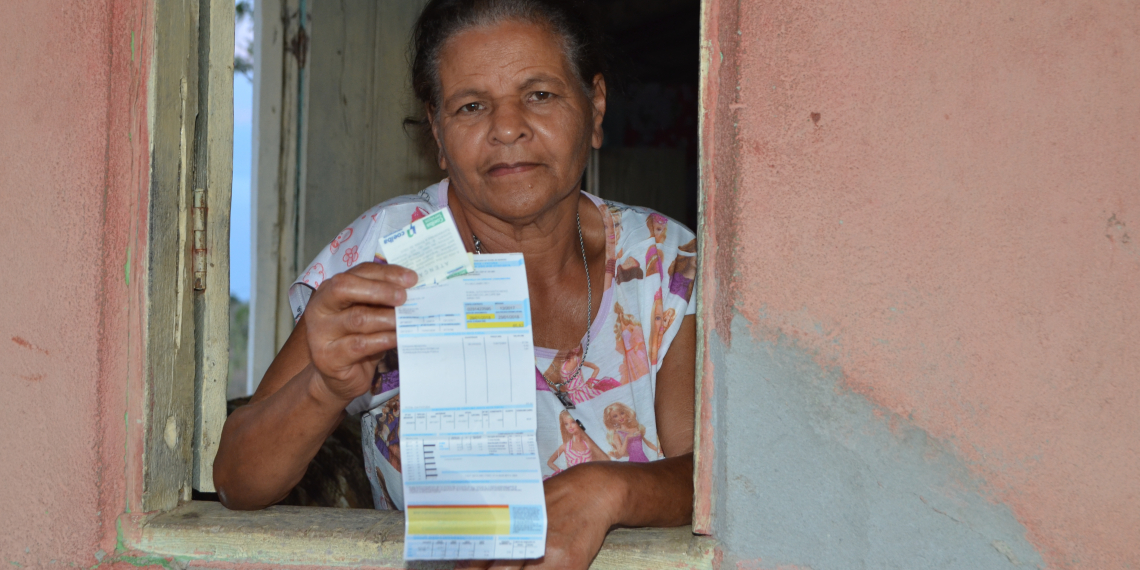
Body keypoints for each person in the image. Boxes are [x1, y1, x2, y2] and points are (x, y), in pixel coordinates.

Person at [213, 0, 697, 567]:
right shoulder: (390, 254)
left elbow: (709, 476)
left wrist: (607, 491)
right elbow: (237, 482)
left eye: (539, 94)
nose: (507, 127)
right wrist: (324, 387)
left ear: (594, 109)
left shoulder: (661, 260)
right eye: (471, 106)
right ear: (439, 136)